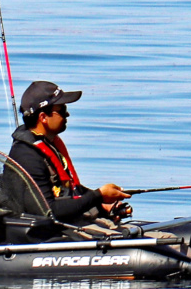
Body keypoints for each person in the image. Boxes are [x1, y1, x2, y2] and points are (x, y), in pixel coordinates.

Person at [9, 80, 131, 227]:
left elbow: (68, 192)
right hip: (54, 232)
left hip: (73, 223)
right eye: (62, 110)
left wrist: (102, 205)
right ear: (43, 118)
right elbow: (51, 211)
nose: (67, 114)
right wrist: (98, 196)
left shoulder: (49, 143)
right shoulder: (27, 156)